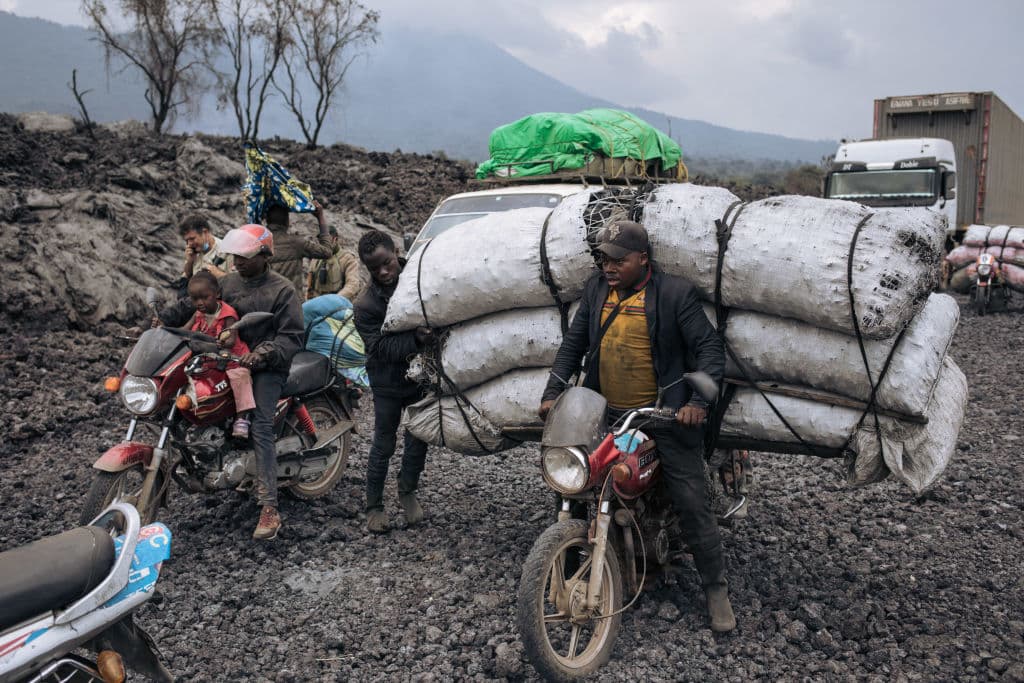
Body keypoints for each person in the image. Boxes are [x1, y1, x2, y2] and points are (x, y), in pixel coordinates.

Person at [537, 220, 735, 633]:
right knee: (573, 483)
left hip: (662, 416)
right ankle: (567, 566)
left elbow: (709, 348)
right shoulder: (596, 290)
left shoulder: (675, 294)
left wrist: (697, 403)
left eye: (617, 260)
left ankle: (715, 589)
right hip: (605, 412)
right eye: (603, 259)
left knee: (691, 499)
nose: (608, 267)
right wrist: (553, 392)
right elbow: (574, 345)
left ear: (642, 259)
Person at [160, 224, 304, 541]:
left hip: (267, 365)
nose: (237, 262)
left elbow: (292, 337)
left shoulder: (283, 290)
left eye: (244, 257)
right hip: (225, 358)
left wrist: (263, 354)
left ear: (265, 255)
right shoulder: (228, 283)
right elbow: (195, 302)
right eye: (235, 257)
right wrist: (164, 318)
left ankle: (269, 507)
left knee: (261, 424)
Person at [352, 230, 434, 534]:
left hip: (419, 378)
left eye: (388, 263)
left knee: (418, 436)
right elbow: (380, 349)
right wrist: (415, 339)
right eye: (375, 269)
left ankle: (407, 490)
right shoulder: (366, 305)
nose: (384, 272)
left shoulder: (417, 276)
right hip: (386, 382)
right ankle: (373, 505)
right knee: (383, 442)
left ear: (396, 252)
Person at [184, 271, 256, 438]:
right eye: (195, 299)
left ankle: (242, 417)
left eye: (204, 297)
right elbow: (185, 330)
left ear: (217, 294)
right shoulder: (199, 314)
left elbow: (230, 340)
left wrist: (217, 341)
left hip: (232, 359)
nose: (200, 303)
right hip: (209, 359)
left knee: (240, 378)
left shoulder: (227, 314)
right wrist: (164, 330)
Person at [263, 200, 334, 293]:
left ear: (267, 221)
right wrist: (320, 217)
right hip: (293, 302)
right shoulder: (296, 243)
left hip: (268, 303)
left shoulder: (259, 245)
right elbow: (327, 252)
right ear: (286, 221)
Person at [306, 226, 367, 302]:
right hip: (317, 303)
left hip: (338, 304)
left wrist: (335, 300)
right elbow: (309, 286)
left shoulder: (347, 259)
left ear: (335, 239)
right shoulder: (316, 259)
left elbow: (353, 285)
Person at [178, 214, 232, 280]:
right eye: (186, 240)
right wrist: (190, 261)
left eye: (192, 239)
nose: (189, 243)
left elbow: (236, 282)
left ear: (205, 232)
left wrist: (219, 274)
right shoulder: (193, 251)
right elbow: (187, 275)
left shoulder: (226, 251)